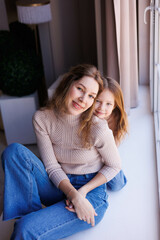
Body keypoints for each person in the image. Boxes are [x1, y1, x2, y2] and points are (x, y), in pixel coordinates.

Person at [1, 64, 121, 240]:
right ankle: (31, 217)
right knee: (13, 152)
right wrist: (73, 194)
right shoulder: (42, 118)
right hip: (59, 184)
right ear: (68, 84)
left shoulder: (98, 127)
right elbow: (51, 166)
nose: (83, 99)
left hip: (90, 193)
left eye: (91, 97)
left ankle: (32, 224)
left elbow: (115, 165)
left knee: (24, 230)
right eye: (80, 89)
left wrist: (82, 194)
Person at [94, 77, 128, 191]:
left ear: (114, 106)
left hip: (105, 156)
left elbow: (113, 148)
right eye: (97, 101)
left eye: (108, 104)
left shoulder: (116, 119)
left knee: (117, 184)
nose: (101, 108)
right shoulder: (87, 117)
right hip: (90, 158)